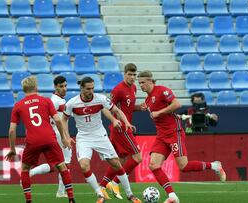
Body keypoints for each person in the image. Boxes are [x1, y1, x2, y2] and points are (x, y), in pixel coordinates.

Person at [137, 71, 226, 203]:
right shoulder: (147, 99)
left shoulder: (162, 90)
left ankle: (214, 166)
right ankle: (172, 196)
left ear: (150, 81)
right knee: (153, 165)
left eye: (143, 82)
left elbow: (177, 104)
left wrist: (159, 113)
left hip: (174, 133)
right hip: (161, 135)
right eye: (139, 83)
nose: (141, 86)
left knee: (183, 166)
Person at [62, 76, 141, 203]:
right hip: (83, 137)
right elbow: (63, 119)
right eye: (88, 89)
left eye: (93, 88)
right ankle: (100, 194)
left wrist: (126, 122)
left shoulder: (100, 99)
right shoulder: (72, 103)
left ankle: (130, 194)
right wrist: (66, 137)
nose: (91, 91)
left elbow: (117, 110)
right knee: (84, 166)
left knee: (116, 163)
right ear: (81, 88)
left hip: (100, 135)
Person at [4, 76, 75, 203]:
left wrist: (12, 149)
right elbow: (58, 120)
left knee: (25, 169)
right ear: (36, 87)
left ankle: (29, 200)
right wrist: (64, 138)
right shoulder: (46, 101)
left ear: (23, 89)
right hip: (49, 138)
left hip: (32, 141)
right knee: (63, 167)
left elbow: (11, 130)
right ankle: (71, 199)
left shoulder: (18, 105)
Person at [100, 63, 145, 200]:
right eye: (129, 74)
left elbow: (128, 108)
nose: (132, 77)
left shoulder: (134, 88)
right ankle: (115, 182)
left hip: (126, 127)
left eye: (134, 75)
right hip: (121, 129)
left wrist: (139, 107)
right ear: (124, 74)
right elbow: (106, 107)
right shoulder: (118, 90)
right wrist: (116, 121)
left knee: (119, 160)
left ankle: (103, 185)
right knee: (137, 158)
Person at [29, 75, 73, 198]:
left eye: (65, 86)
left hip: (59, 134)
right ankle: (32, 173)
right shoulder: (54, 101)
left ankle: (60, 191)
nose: (64, 88)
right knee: (63, 163)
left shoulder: (59, 100)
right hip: (58, 135)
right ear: (55, 87)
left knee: (60, 164)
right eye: (61, 86)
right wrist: (65, 137)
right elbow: (49, 118)